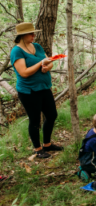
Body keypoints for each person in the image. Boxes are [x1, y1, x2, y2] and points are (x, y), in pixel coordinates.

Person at [10, 22, 62, 158]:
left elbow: (48, 61)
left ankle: (47, 144)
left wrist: (47, 67)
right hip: (29, 91)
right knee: (34, 120)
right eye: (31, 33)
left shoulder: (37, 47)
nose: (34, 35)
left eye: (34, 33)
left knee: (51, 115)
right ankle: (38, 149)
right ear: (22, 35)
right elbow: (24, 72)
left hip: (44, 87)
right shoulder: (17, 51)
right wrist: (41, 63)